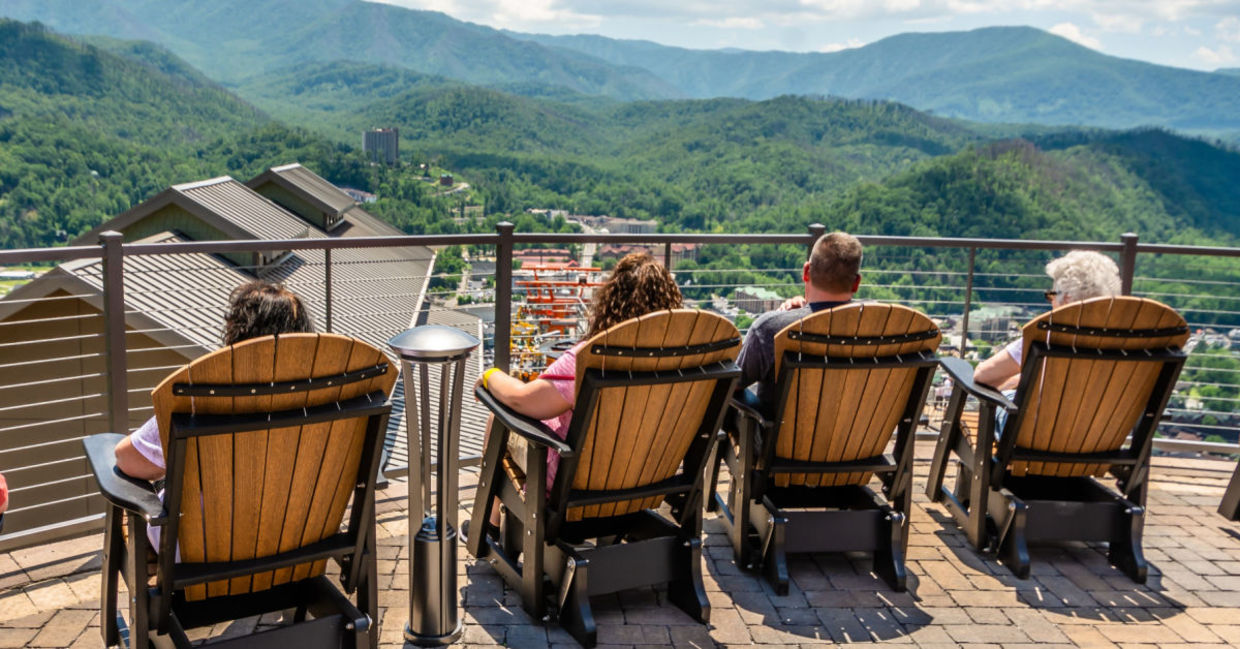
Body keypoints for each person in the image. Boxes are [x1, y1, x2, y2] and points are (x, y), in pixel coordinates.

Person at [112, 281, 314, 551]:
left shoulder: (201, 394)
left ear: (235, 333)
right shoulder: (325, 395)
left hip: (200, 555)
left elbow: (128, 460)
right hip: (296, 542)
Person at [476, 252, 683, 492]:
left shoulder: (588, 358)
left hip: (577, 484)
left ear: (611, 301)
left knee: (498, 419)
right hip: (648, 479)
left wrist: (491, 376)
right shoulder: (684, 358)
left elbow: (523, 401)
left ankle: (490, 525)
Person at [735, 231, 863, 406]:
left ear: (806, 272)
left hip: (782, 432)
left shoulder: (770, 329)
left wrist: (785, 318)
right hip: (855, 432)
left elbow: (733, 385)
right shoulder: (885, 330)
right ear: (856, 283)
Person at [973, 250, 1121, 391]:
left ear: (1067, 299)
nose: (1050, 300)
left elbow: (983, 375)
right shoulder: (1128, 337)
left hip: (1042, 416)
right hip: (1107, 416)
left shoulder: (1045, 334)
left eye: (1052, 294)